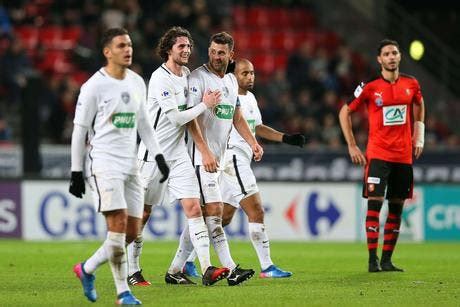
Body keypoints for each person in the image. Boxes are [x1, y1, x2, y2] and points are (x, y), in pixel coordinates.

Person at [69, 28, 169, 305]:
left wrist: (159, 157)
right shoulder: (93, 86)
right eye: (122, 45)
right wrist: (76, 172)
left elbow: (145, 124)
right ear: (107, 52)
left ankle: (87, 268)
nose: (129, 49)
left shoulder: (137, 82)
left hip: (132, 165)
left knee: (131, 233)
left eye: (130, 45)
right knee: (117, 228)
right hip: (104, 165)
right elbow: (79, 131)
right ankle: (123, 292)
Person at [125, 26, 229, 287]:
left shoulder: (186, 75)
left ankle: (206, 268)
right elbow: (175, 118)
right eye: (181, 46)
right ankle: (132, 270)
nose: (186, 50)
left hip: (179, 156)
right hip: (153, 156)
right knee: (143, 215)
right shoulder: (160, 78)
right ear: (168, 49)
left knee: (195, 209)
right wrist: (205, 105)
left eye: (189, 46)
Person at [183, 59, 304, 278]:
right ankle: (267, 267)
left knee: (224, 217)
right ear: (234, 75)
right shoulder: (227, 95)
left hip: (242, 157)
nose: (250, 77)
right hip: (232, 159)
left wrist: (284, 138)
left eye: (252, 73)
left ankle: (186, 261)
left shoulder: (251, 98)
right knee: (256, 209)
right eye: (245, 73)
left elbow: (256, 127)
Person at [182, 32, 264, 286]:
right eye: (214, 52)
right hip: (199, 157)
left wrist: (252, 142)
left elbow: (236, 116)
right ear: (209, 51)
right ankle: (229, 268)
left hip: (217, 159)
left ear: (231, 55)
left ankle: (177, 268)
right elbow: (190, 118)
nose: (217, 57)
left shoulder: (230, 79)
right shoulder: (197, 78)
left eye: (222, 53)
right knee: (214, 213)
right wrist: (204, 151)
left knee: (200, 215)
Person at [338, 39, 425, 273]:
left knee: (396, 208)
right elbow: (344, 111)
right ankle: (371, 260)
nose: (391, 57)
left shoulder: (411, 84)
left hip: (404, 156)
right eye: (386, 54)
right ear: (380, 59)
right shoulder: (369, 86)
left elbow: (419, 102)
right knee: (374, 207)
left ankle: (387, 260)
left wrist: (420, 135)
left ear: (399, 56)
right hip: (378, 155)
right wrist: (352, 145)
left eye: (395, 53)